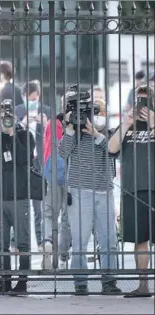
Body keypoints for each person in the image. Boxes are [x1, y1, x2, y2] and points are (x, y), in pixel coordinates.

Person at [59, 91, 121, 295]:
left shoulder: (111, 133)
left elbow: (112, 151)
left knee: (109, 240)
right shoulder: (76, 132)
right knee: (79, 241)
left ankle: (109, 281)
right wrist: (69, 127)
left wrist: (96, 134)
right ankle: (80, 283)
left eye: (101, 112)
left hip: (105, 192)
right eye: (94, 112)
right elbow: (62, 151)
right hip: (79, 192)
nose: (98, 115)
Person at [0, 103, 35, 294]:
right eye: (0, 117)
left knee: (23, 242)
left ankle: (22, 283)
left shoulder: (25, 136)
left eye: (8, 116)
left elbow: (22, 157)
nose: (5, 120)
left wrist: (11, 133)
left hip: (20, 197)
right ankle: (4, 282)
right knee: (1, 243)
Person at [108, 85, 155, 297]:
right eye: (140, 100)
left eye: (146, 100)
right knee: (140, 239)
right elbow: (111, 148)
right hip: (133, 188)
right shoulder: (128, 125)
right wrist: (126, 124)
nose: (142, 105)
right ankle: (143, 284)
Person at [15, 79, 50, 250]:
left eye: (35, 98)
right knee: (20, 206)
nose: (32, 101)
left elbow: (54, 139)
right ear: (23, 97)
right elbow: (11, 135)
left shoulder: (47, 111)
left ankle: (42, 242)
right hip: (22, 163)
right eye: (29, 98)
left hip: (40, 162)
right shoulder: (17, 111)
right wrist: (23, 122)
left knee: (39, 206)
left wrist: (45, 124)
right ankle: (18, 243)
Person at [40, 96, 72, 269]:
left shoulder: (52, 123)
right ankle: (64, 253)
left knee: (49, 213)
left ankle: (48, 241)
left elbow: (45, 149)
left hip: (52, 175)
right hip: (71, 175)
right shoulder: (80, 123)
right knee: (67, 216)